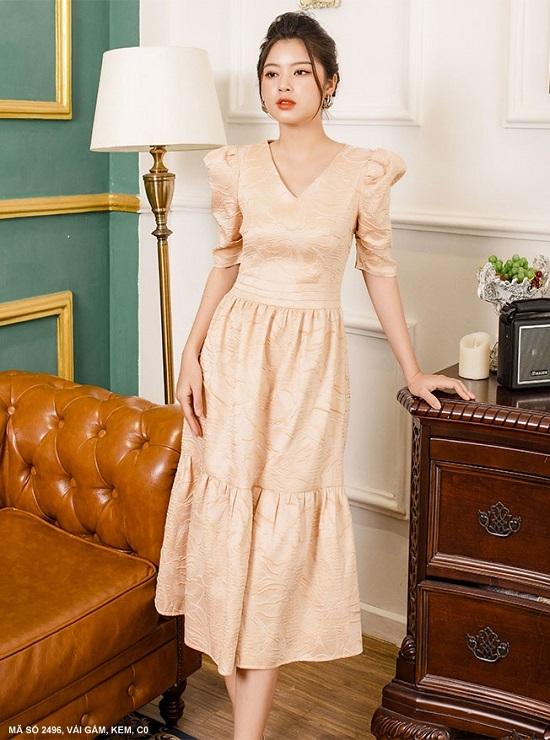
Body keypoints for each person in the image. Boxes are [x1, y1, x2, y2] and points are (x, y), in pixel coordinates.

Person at [154, 10, 475, 740]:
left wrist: (414, 368)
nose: (284, 84)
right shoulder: (235, 167)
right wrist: (191, 354)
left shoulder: (364, 172)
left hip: (309, 369)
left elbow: (379, 270)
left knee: (275, 544)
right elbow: (225, 263)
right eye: (272, 73)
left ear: (329, 83)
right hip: (235, 355)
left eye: (300, 71)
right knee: (230, 534)